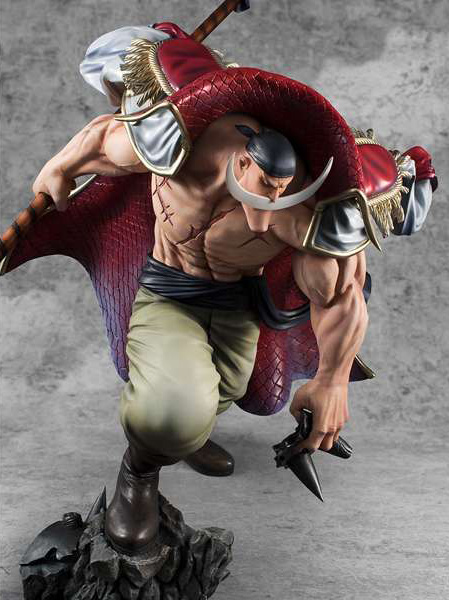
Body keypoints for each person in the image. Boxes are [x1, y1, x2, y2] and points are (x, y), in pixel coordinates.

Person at [30, 22, 437, 556]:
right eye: (263, 188)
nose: (266, 217)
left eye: (281, 194)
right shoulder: (180, 147)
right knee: (170, 417)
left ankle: (189, 430)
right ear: (242, 159)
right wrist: (58, 169)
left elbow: (341, 295)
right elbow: (103, 138)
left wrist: (333, 381)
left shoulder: (303, 209)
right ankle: (139, 473)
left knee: (228, 394)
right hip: (170, 294)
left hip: (237, 308)